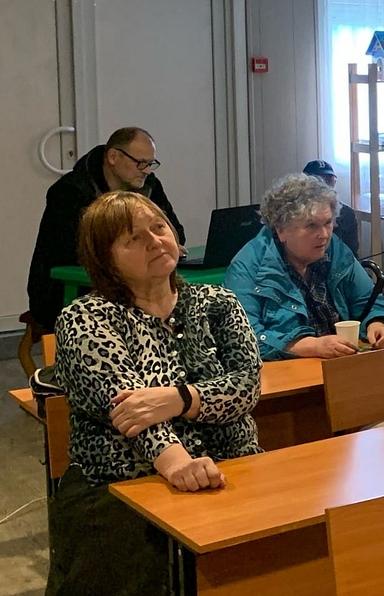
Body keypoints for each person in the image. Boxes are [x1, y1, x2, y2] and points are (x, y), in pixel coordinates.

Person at [46, 191, 260, 594]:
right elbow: (131, 411)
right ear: (105, 259)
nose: (155, 241)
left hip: (233, 468)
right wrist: (179, 464)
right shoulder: (85, 318)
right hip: (125, 485)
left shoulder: (218, 302)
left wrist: (179, 398)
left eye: (159, 228)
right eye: (134, 238)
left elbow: (247, 386)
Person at [28, 126, 186, 331]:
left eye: (150, 164)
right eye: (140, 163)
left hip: (132, 286)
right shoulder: (69, 192)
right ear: (113, 157)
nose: (146, 170)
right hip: (66, 291)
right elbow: (73, 254)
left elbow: (176, 232)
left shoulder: (149, 185)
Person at [226, 174, 384, 360]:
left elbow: (367, 300)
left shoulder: (335, 250)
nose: (324, 235)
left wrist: (377, 324)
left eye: (328, 223)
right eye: (311, 226)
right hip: (287, 369)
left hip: (341, 363)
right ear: (281, 230)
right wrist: (309, 346)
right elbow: (243, 338)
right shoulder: (247, 267)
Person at [302, 159, 360, 254]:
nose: (324, 186)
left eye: (329, 181)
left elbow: (351, 253)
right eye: (318, 181)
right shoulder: (294, 213)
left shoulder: (346, 213)